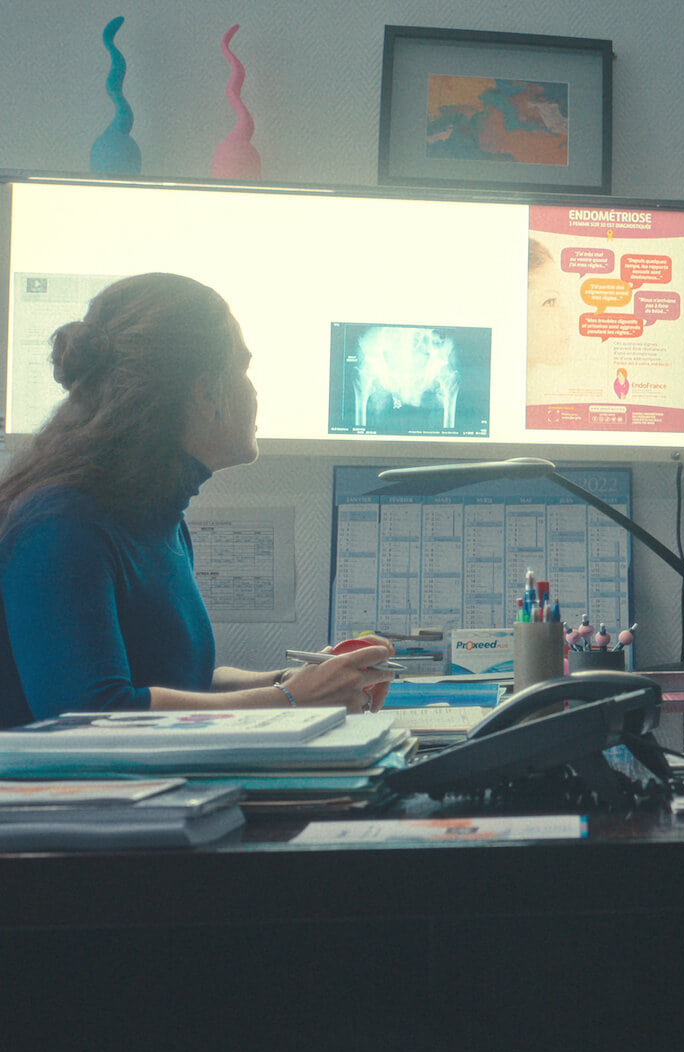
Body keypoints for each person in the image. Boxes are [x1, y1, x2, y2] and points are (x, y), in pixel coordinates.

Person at [0, 273, 394, 725]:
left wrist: (299, 681)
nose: (254, 391)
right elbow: (91, 714)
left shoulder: (158, 519)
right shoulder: (59, 524)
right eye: (243, 370)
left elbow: (180, 683)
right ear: (207, 393)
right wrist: (291, 699)